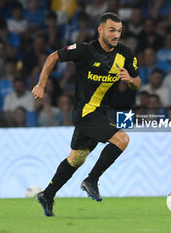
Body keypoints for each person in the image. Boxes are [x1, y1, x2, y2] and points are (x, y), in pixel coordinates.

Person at [31, 12, 141, 217]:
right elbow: (53, 56)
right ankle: (92, 180)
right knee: (122, 139)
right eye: (112, 30)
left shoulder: (126, 54)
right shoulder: (84, 50)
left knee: (76, 159)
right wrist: (41, 84)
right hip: (85, 113)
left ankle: (47, 194)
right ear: (100, 30)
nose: (116, 35)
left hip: (99, 113)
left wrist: (130, 80)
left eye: (119, 31)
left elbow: (137, 83)